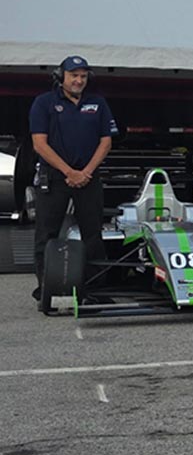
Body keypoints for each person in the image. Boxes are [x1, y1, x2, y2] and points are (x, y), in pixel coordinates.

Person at [29, 56, 118, 301]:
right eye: (74, 76)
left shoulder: (97, 103)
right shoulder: (43, 102)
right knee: (46, 234)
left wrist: (85, 172)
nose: (79, 80)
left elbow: (106, 142)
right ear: (61, 77)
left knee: (93, 234)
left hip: (88, 177)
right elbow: (39, 144)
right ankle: (46, 288)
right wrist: (69, 172)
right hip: (54, 177)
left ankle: (95, 288)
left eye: (83, 76)